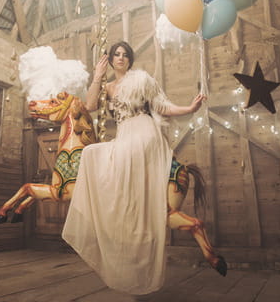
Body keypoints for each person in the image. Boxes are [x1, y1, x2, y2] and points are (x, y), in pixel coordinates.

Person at [62, 41, 205, 295]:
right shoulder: (108, 86)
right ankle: (124, 247)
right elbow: (91, 105)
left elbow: (162, 106)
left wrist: (189, 108)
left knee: (109, 162)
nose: (120, 58)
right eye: (116, 54)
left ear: (130, 59)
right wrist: (97, 77)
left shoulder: (141, 80)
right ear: (111, 59)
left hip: (144, 132)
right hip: (124, 136)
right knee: (91, 154)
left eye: (125, 55)